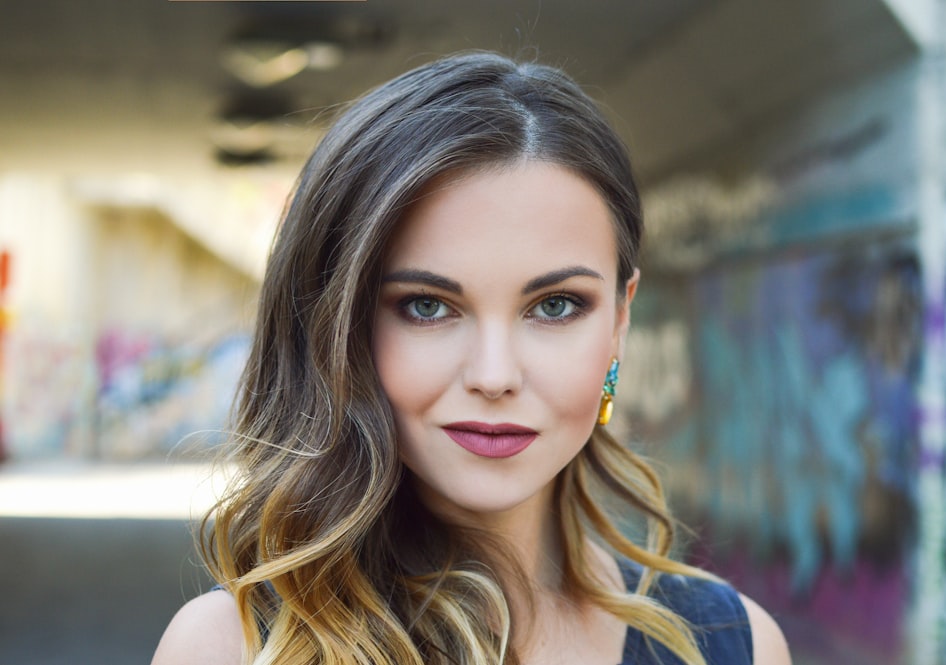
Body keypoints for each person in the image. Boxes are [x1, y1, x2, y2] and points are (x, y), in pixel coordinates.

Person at [152, 51, 791, 665]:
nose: (494, 377)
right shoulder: (230, 650)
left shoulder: (735, 646)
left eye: (556, 306)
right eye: (427, 306)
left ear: (621, 319)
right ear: (337, 324)